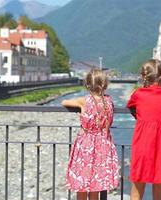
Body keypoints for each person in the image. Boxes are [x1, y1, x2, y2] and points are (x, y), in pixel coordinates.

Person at [62, 69, 119, 200]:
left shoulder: (84, 101)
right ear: (105, 85)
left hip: (86, 145)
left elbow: (64, 102)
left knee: (81, 184)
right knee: (95, 185)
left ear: (87, 85)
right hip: (103, 144)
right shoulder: (109, 101)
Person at [126, 59, 161, 200]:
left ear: (144, 77)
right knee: (159, 189)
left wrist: (143, 119)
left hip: (143, 143)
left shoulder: (139, 94)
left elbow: (131, 106)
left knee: (137, 186)